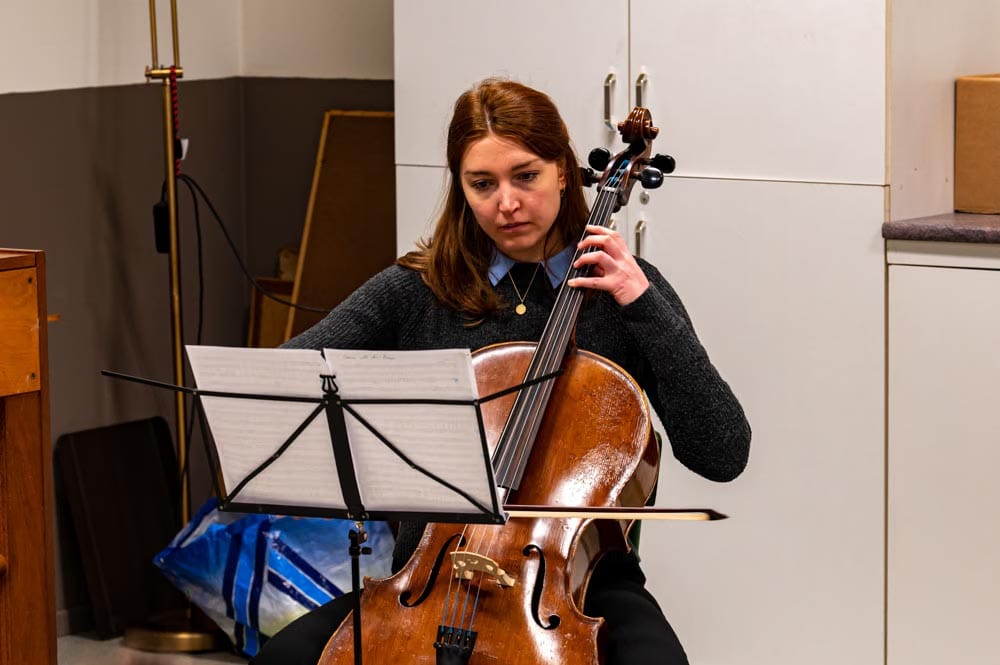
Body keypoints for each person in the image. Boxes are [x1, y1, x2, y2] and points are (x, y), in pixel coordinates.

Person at [251, 78, 751, 665]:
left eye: (525, 176)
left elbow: (723, 453)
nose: (506, 204)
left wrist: (643, 305)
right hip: (428, 580)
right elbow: (279, 387)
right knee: (283, 658)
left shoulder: (627, 292)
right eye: (482, 184)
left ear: (563, 171)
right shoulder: (418, 289)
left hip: (580, 585)